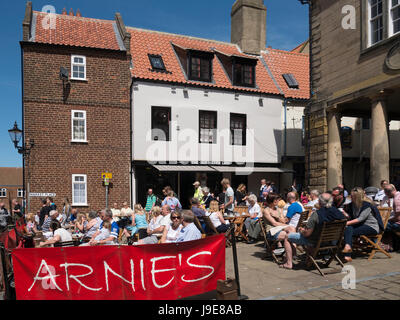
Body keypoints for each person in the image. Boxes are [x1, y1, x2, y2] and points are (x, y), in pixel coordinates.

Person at [288, 193, 346, 261]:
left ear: (319, 202)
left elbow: (307, 234)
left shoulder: (317, 214)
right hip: (332, 241)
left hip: (316, 241)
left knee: (287, 237)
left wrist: (301, 230)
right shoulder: (338, 213)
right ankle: (309, 259)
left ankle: (288, 263)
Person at [342, 188, 382, 263]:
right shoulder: (352, 205)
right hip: (360, 225)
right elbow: (353, 217)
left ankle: (347, 253)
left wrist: (346, 223)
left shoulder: (366, 205)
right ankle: (347, 254)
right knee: (348, 229)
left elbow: (360, 219)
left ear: (357, 197)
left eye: (352, 196)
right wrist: (346, 215)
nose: (350, 197)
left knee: (348, 230)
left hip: (371, 227)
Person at [262, 193, 296, 269]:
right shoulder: (266, 211)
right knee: (290, 234)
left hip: (280, 228)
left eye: (278, 199)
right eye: (276, 199)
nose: (278, 201)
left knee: (292, 230)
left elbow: (283, 221)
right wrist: (287, 225)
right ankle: (291, 255)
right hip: (272, 231)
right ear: (272, 200)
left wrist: (277, 216)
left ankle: (289, 259)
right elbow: (274, 223)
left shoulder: (278, 209)